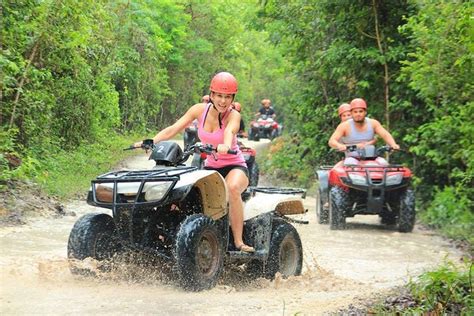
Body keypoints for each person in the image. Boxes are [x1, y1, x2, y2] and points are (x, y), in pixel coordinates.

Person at [134, 72, 254, 253]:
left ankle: (238, 241)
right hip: (211, 168)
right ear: (212, 95)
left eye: (227, 97)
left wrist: (225, 145)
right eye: (219, 96)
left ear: (232, 98)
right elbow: (174, 128)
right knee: (185, 195)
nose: (223, 101)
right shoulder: (199, 110)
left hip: (234, 166)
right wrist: (151, 140)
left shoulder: (233, 115)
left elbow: (230, 131)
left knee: (232, 188)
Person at [328, 98, 400, 164]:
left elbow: (385, 134)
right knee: (350, 165)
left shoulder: (373, 123)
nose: (358, 114)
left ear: (365, 112)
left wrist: (393, 144)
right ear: (352, 113)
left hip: (372, 158)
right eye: (355, 112)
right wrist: (340, 146)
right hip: (352, 158)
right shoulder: (344, 126)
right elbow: (332, 141)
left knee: (383, 163)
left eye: (360, 111)